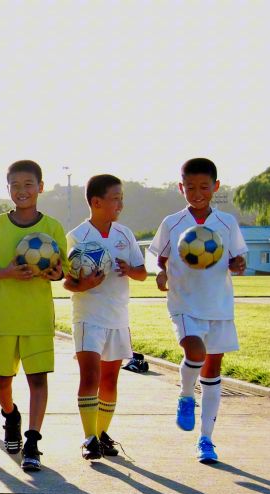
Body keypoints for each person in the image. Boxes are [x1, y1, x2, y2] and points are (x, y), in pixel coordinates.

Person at [148, 158, 248, 463]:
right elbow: (158, 259)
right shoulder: (172, 223)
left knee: (213, 371)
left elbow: (237, 259)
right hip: (185, 304)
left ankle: (206, 440)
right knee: (195, 353)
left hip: (218, 305)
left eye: (204, 187)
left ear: (215, 187)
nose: (197, 192)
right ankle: (186, 395)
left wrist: (238, 264)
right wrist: (161, 274)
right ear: (181, 188)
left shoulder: (227, 223)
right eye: (190, 187)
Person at [0, 160, 67, 472]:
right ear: (8, 189)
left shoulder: (52, 228)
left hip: (38, 317)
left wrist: (54, 274)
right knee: (2, 382)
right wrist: (9, 272)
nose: (22, 190)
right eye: (16, 185)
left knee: (37, 379)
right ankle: (11, 414)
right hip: (3, 316)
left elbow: (61, 271)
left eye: (29, 184)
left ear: (41, 187)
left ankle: (33, 441)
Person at [64, 174, 147, 460]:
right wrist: (83, 284)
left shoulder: (124, 234)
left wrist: (129, 269)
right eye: (115, 198)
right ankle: (89, 438)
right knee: (90, 375)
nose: (120, 204)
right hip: (88, 315)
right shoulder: (77, 236)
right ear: (96, 202)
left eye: (121, 198)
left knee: (110, 379)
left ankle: (101, 433)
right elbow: (67, 281)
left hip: (117, 315)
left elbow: (142, 273)